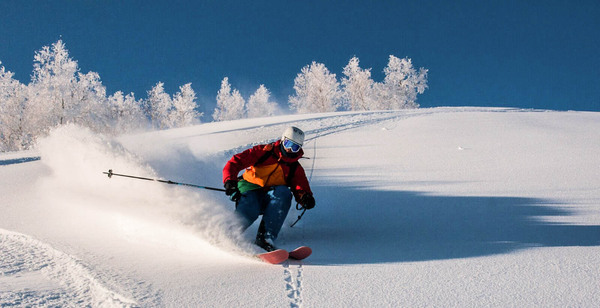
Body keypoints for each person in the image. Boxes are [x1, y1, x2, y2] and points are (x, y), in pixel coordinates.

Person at [222, 126, 316, 252]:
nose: (290, 150)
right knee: (251, 206)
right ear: (283, 140)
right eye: (288, 144)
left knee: (284, 193)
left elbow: (300, 186)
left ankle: (265, 238)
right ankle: (227, 233)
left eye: (295, 147)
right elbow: (235, 162)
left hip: (271, 194)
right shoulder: (264, 152)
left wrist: (305, 197)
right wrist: (229, 181)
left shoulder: (294, 167)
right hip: (250, 186)